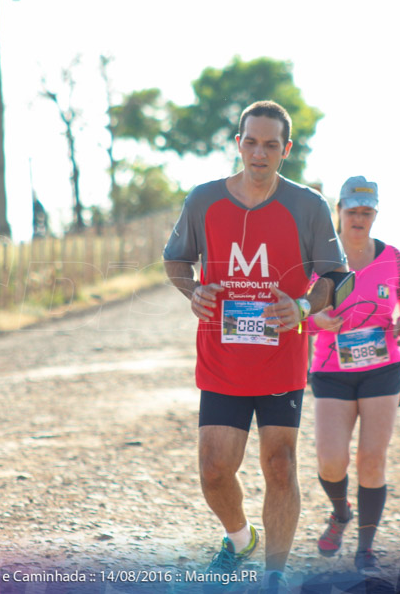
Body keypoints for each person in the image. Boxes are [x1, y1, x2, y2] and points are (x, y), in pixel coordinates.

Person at [163, 101, 346, 590]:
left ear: (285, 150)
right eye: (251, 141)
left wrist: (305, 307)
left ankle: (273, 574)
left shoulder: (308, 206)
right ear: (237, 143)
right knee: (214, 470)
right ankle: (240, 537)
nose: (259, 153)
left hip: (281, 357)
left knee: (280, 466)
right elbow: (176, 261)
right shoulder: (203, 200)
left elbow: (336, 276)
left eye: (271, 144)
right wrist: (193, 289)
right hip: (222, 358)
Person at [307, 176, 400, 575]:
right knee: (331, 462)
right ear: (339, 211)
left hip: (382, 367)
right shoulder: (318, 261)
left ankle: (365, 547)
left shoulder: (392, 257)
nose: (359, 218)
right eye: (352, 211)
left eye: (366, 212)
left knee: (372, 460)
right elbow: (298, 317)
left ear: (375, 215)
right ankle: (341, 513)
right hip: (331, 370)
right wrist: (317, 320)